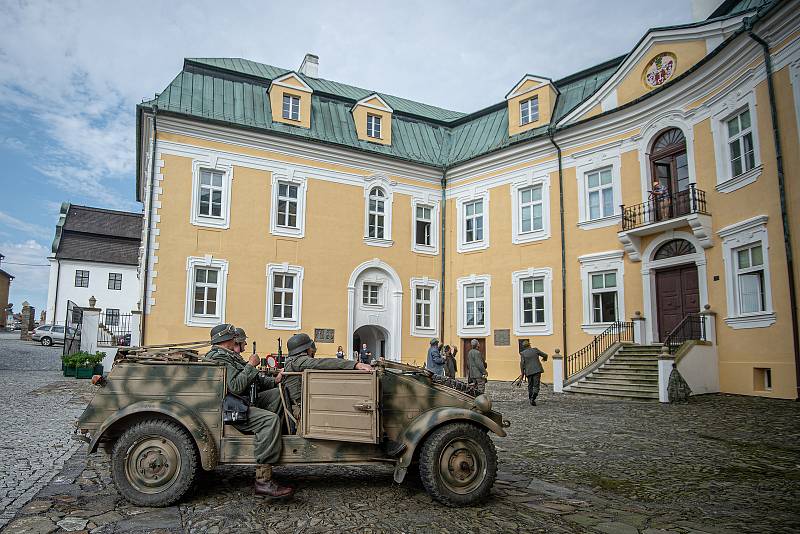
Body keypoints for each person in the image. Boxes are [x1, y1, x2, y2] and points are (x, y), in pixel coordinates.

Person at [204, 324, 292, 499]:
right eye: (233, 338)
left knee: (277, 394)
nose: (236, 342)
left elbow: (254, 381)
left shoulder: (229, 356)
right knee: (270, 420)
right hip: (233, 407)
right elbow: (236, 386)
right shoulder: (219, 358)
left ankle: (271, 439)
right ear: (227, 340)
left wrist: (275, 381)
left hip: (240, 402)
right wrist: (251, 365)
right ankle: (263, 482)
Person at [282, 333, 373, 412]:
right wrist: (356, 365)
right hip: (302, 408)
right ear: (307, 349)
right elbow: (323, 363)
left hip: (303, 404)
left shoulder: (291, 361)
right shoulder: (298, 361)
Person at [520, 340, 548, 406]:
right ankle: (533, 398)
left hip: (529, 371)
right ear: (529, 345)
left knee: (530, 385)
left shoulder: (523, 353)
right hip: (537, 370)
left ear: (524, 347)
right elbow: (545, 355)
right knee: (536, 385)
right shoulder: (535, 350)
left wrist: (522, 374)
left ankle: (530, 398)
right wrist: (544, 359)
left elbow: (522, 364)